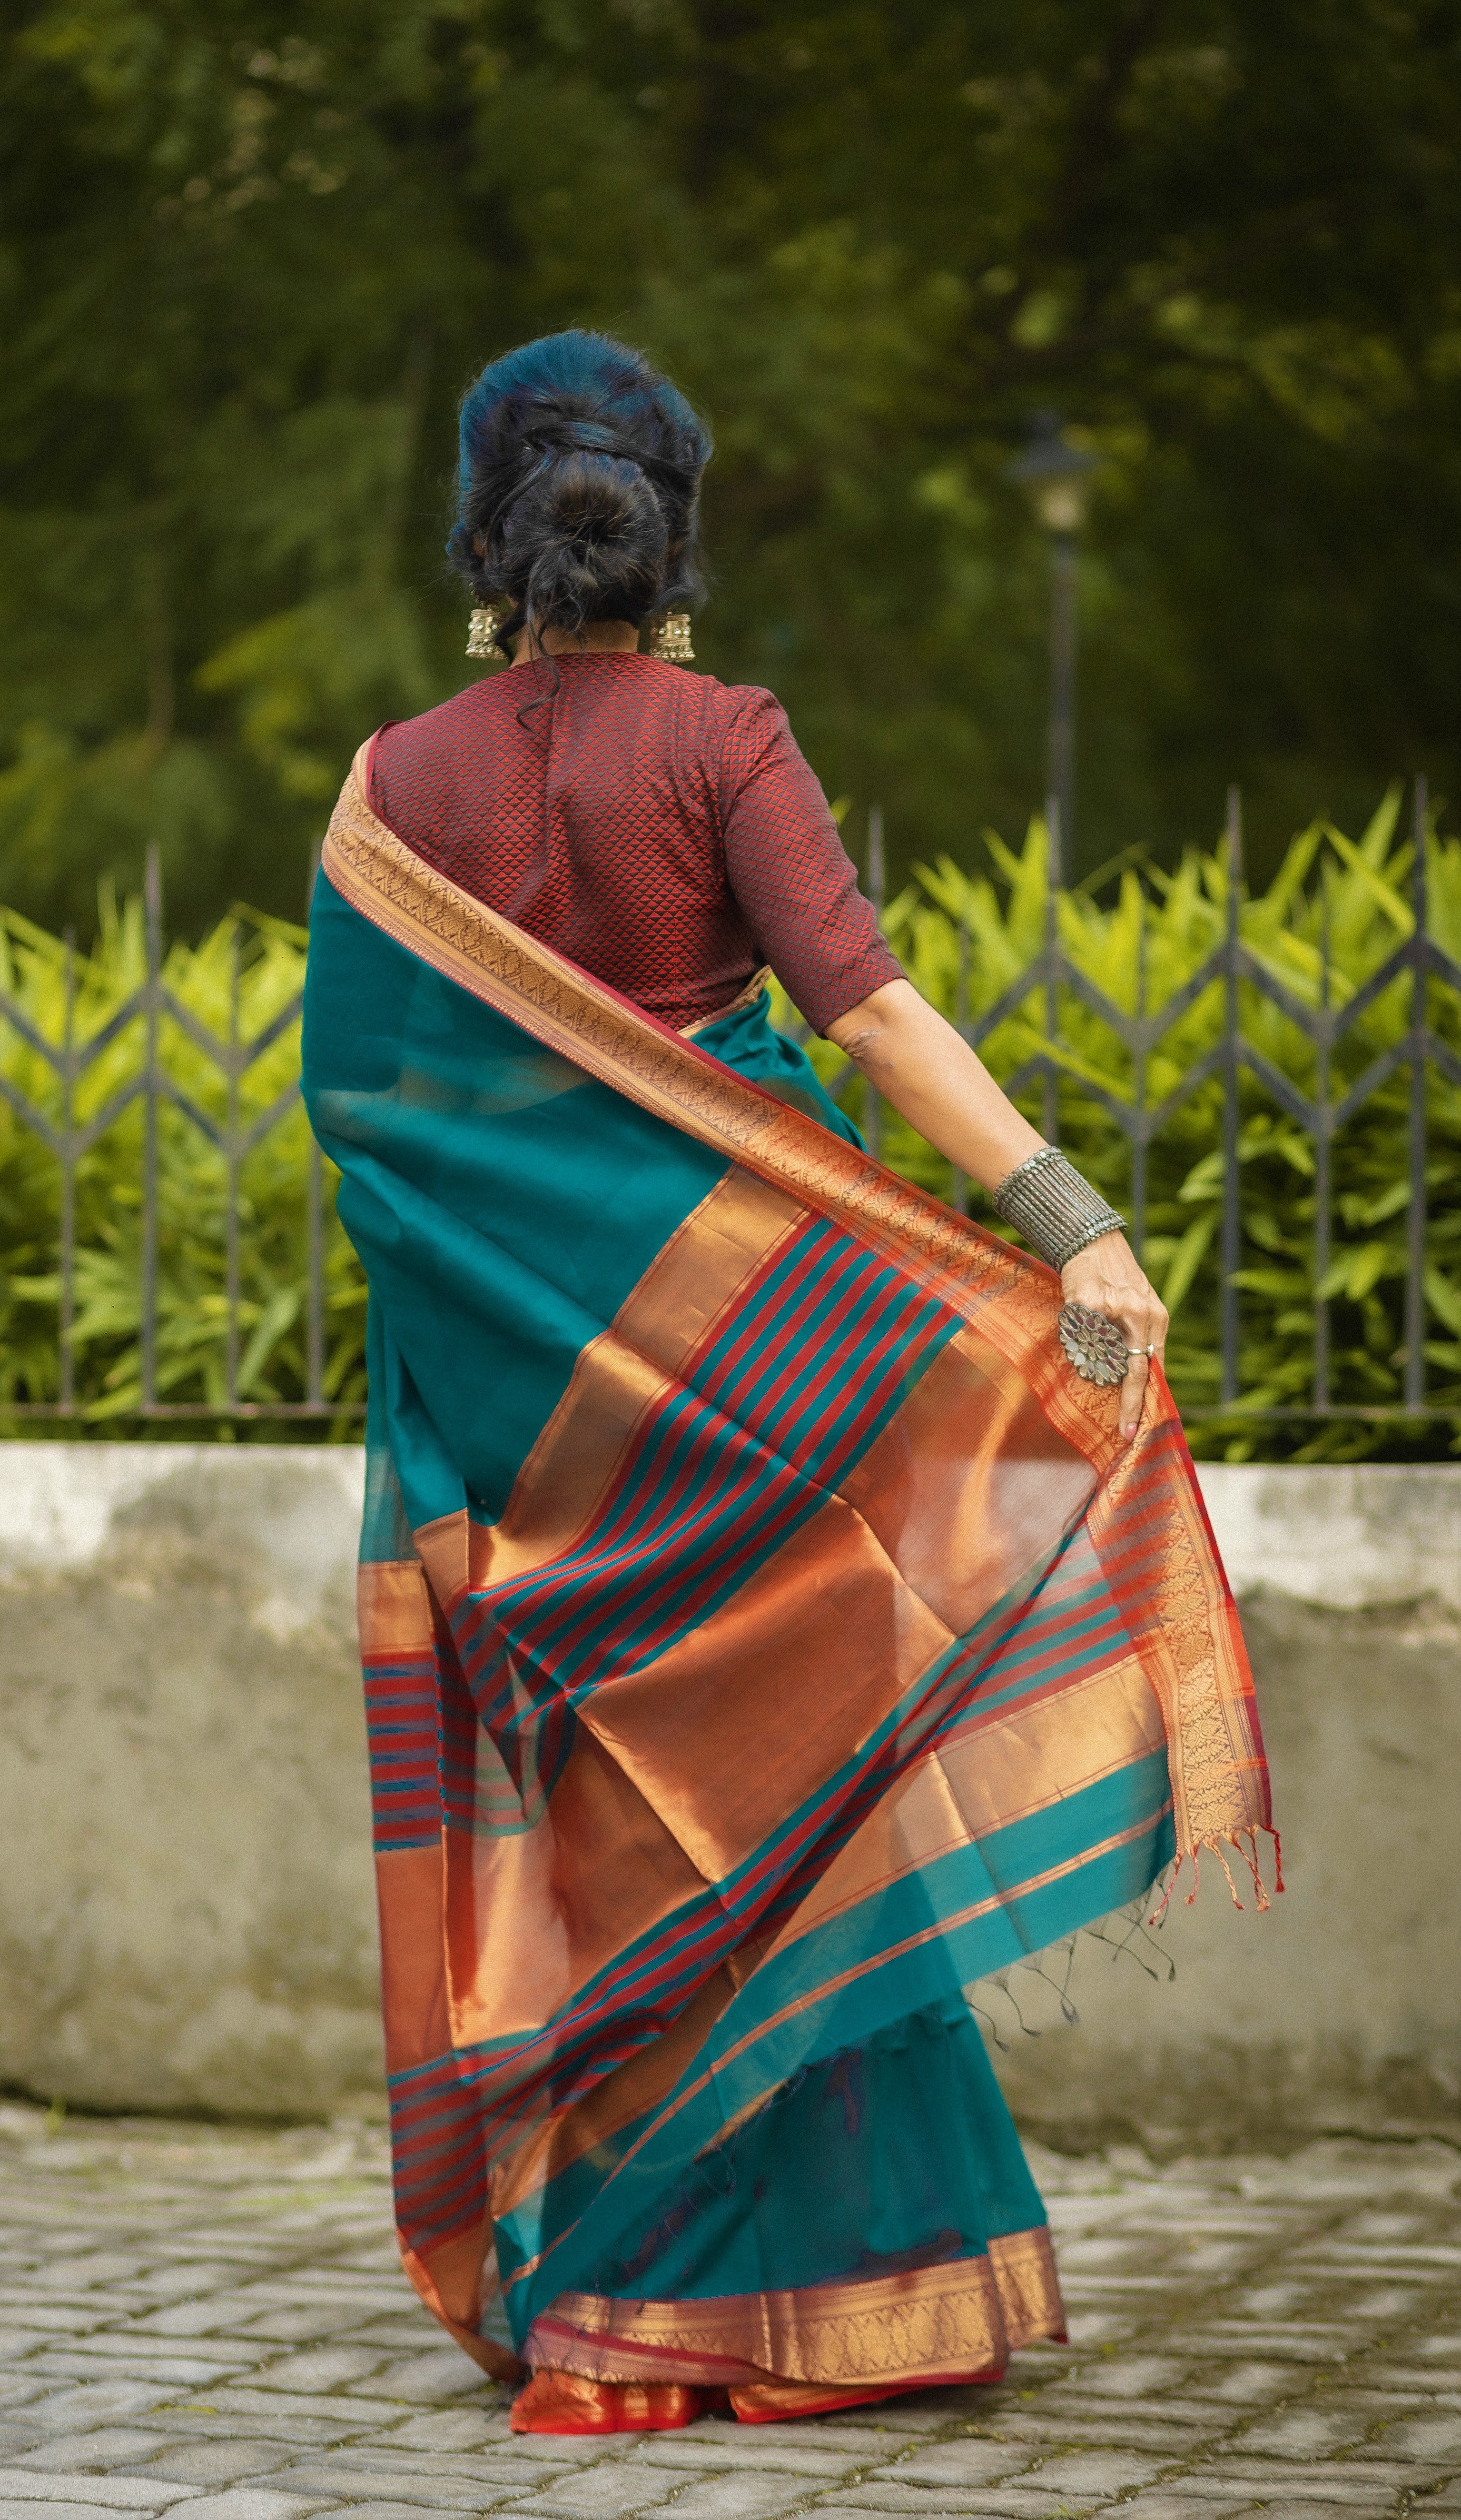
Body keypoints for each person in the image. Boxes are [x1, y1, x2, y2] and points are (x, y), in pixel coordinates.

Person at [300, 330, 1275, 2437]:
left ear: (483, 529)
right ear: (670, 534)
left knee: (624, 1837)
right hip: (779, 1380)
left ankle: (625, 2324)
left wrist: (524, 1342)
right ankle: (839, 2302)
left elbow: (372, 1126)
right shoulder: (724, 739)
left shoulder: (389, 794)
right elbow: (874, 1020)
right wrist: (1066, 1217)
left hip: (536, 1436)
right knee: (811, 1821)